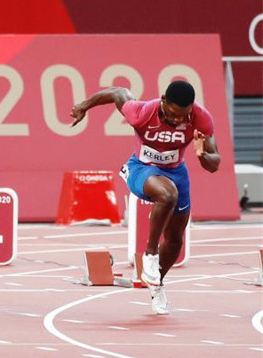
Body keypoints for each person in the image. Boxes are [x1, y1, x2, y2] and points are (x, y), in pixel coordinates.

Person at [70, 80, 220, 315]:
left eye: (183, 116)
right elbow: (118, 92)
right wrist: (84, 106)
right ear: (163, 101)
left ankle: (157, 286)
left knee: (175, 241)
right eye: (172, 114)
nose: (177, 120)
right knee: (168, 194)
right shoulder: (141, 112)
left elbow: (214, 164)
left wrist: (202, 154)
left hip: (176, 172)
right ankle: (150, 253)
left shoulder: (200, 117)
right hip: (142, 168)